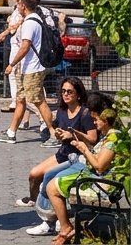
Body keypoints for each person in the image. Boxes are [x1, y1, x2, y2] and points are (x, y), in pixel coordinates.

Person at [38, 95, 119, 245]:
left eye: (96, 120)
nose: (94, 123)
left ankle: (63, 226)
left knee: (51, 186)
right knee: (49, 178)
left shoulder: (113, 138)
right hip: (89, 171)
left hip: (98, 180)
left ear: (106, 120)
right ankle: (60, 224)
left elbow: (99, 166)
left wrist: (84, 149)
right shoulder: (108, 135)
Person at [21, 77, 96, 235]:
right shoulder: (63, 110)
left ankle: (50, 218)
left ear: (78, 94)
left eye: (70, 92)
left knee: (49, 178)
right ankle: (39, 205)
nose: (66, 95)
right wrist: (57, 132)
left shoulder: (85, 113)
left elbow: (92, 139)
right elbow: (56, 128)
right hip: (63, 154)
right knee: (34, 175)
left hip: (78, 157)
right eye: (63, 91)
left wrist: (73, 134)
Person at [3, 0, 56, 144]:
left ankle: (53, 133)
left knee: (38, 101)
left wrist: (12, 64)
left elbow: (25, 46)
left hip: (33, 68)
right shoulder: (32, 20)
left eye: (19, 4)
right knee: (21, 100)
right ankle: (11, 132)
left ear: (23, 6)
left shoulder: (30, 23)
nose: (17, 6)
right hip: (26, 68)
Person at [0, 0, 41, 135]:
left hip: (26, 61)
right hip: (24, 59)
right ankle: (13, 130)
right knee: (23, 96)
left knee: (33, 97)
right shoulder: (27, 15)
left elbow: (25, 45)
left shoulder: (29, 20)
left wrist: (12, 64)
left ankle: (48, 123)